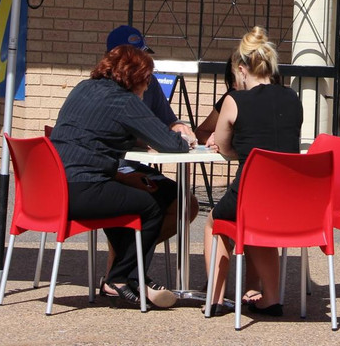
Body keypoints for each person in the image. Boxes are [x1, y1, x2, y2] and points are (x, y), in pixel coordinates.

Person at [49, 44, 196, 309]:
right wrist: (185, 136)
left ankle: (132, 275)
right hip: (85, 189)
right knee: (151, 205)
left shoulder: (83, 88)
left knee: (134, 194)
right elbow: (172, 144)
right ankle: (120, 277)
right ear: (137, 77)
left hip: (56, 187)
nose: (149, 86)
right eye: (147, 79)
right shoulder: (124, 101)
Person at [203, 27, 303, 317]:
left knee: (214, 222)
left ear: (243, 69)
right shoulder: (292, 98)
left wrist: (232, 147)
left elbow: (222, 146)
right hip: (288, 196)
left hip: (251, 191)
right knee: (260, 223)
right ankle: (271, 299)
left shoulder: (235, 101)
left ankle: (215, 299)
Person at [103, 25, 198, 276]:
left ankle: (125, 260)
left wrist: (181, 129)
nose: (144, 62)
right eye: (137, 56)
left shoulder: (150, 82)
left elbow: (169, 121)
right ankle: (124, 271)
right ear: (117, 56)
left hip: (133, 167)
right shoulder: (106, 90)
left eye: (144, 54)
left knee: (187, 204)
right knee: (150, 203)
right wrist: (151, 137)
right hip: (111, 169)